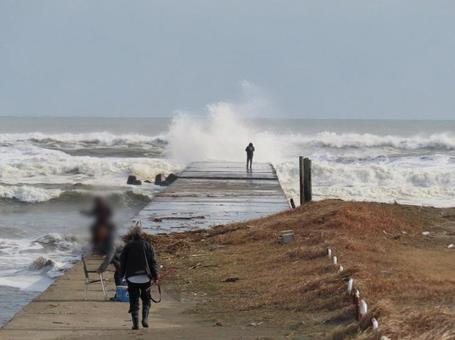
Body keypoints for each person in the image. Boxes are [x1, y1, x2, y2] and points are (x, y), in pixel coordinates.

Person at [120, 226, 159, 330]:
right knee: (146, 299)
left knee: (134, 300)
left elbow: (122, 261)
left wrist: (122, 275)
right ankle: (145, 319)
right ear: (142, 235)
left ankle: (135, 324)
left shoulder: (128, 246)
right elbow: (153, 262)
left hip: (131, 278)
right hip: (145, 278)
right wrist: (156, 276)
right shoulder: (147, 245)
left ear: (132, 235)